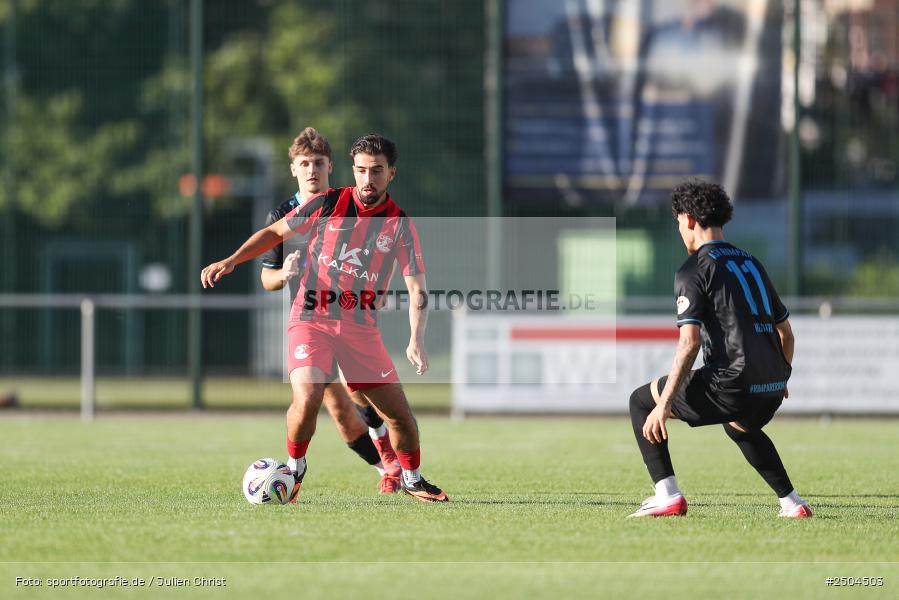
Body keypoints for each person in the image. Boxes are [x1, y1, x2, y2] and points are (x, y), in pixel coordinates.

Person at [201, 133, 449, 503]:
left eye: (377, 171)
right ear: (352, 170)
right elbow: (273, 232)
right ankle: (294, 469)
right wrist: (232, 260)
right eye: (362, 171)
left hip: (360, 331)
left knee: (400, 416)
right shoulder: (328, 203)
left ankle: (412, 479)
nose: (368, 179)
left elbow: (417, 289)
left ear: (391, 173)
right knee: (309, 397)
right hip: (311, 320)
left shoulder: (399, 224)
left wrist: (416, 338)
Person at [627, 180, 811, 518]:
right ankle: (792, 503)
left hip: (733, 385)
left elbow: (690, 343)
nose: (680, 230)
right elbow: (786, 333)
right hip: (770, 387)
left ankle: (667, 495)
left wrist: (663, 405)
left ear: (689, 220)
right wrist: (780, 376)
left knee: (641, 401)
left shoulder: (694, 269)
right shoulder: (752, 263)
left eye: (678, 222)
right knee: (740, 425)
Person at [259, 127, 403, 494]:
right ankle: (384, 466)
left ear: (330, 167)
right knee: (336, 406)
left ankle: (390, 459)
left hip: (351, 319)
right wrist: (283, 273)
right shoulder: (283, 214)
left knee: (361, 394)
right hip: (308, 322)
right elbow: (267, 279)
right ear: (293, 169)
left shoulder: (347, 203)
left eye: (319, 163)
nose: (312, 170)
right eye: (304, 163)